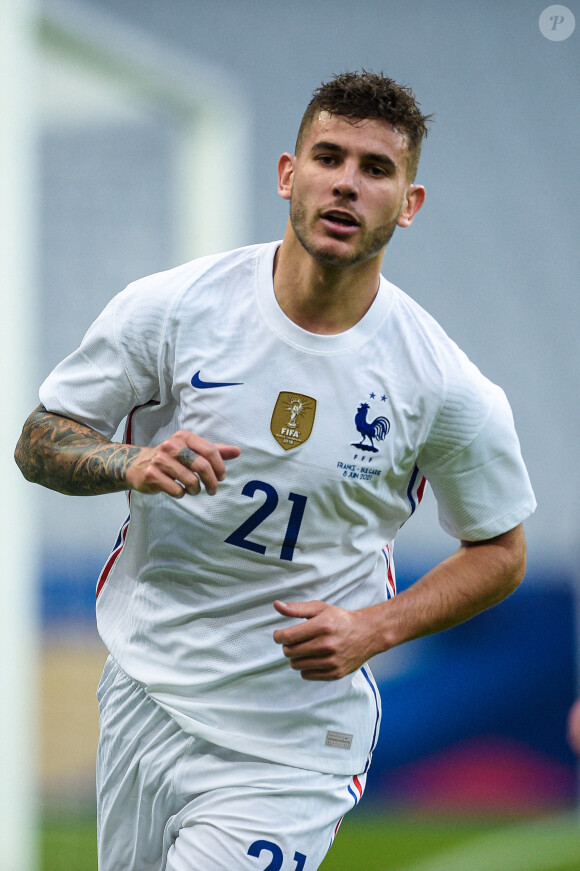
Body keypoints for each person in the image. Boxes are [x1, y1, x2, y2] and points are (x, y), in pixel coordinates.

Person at [15, 71, 536, 870]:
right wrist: (133, 459)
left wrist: (376, 628)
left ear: (410, 203)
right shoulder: (173, 309)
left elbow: (501, 550)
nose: (347, 184)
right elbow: (39, 440)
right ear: (289, 173)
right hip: (145, 695)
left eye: (375, 169)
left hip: (293, 739)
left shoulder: (443, 385)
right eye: (329, 157)